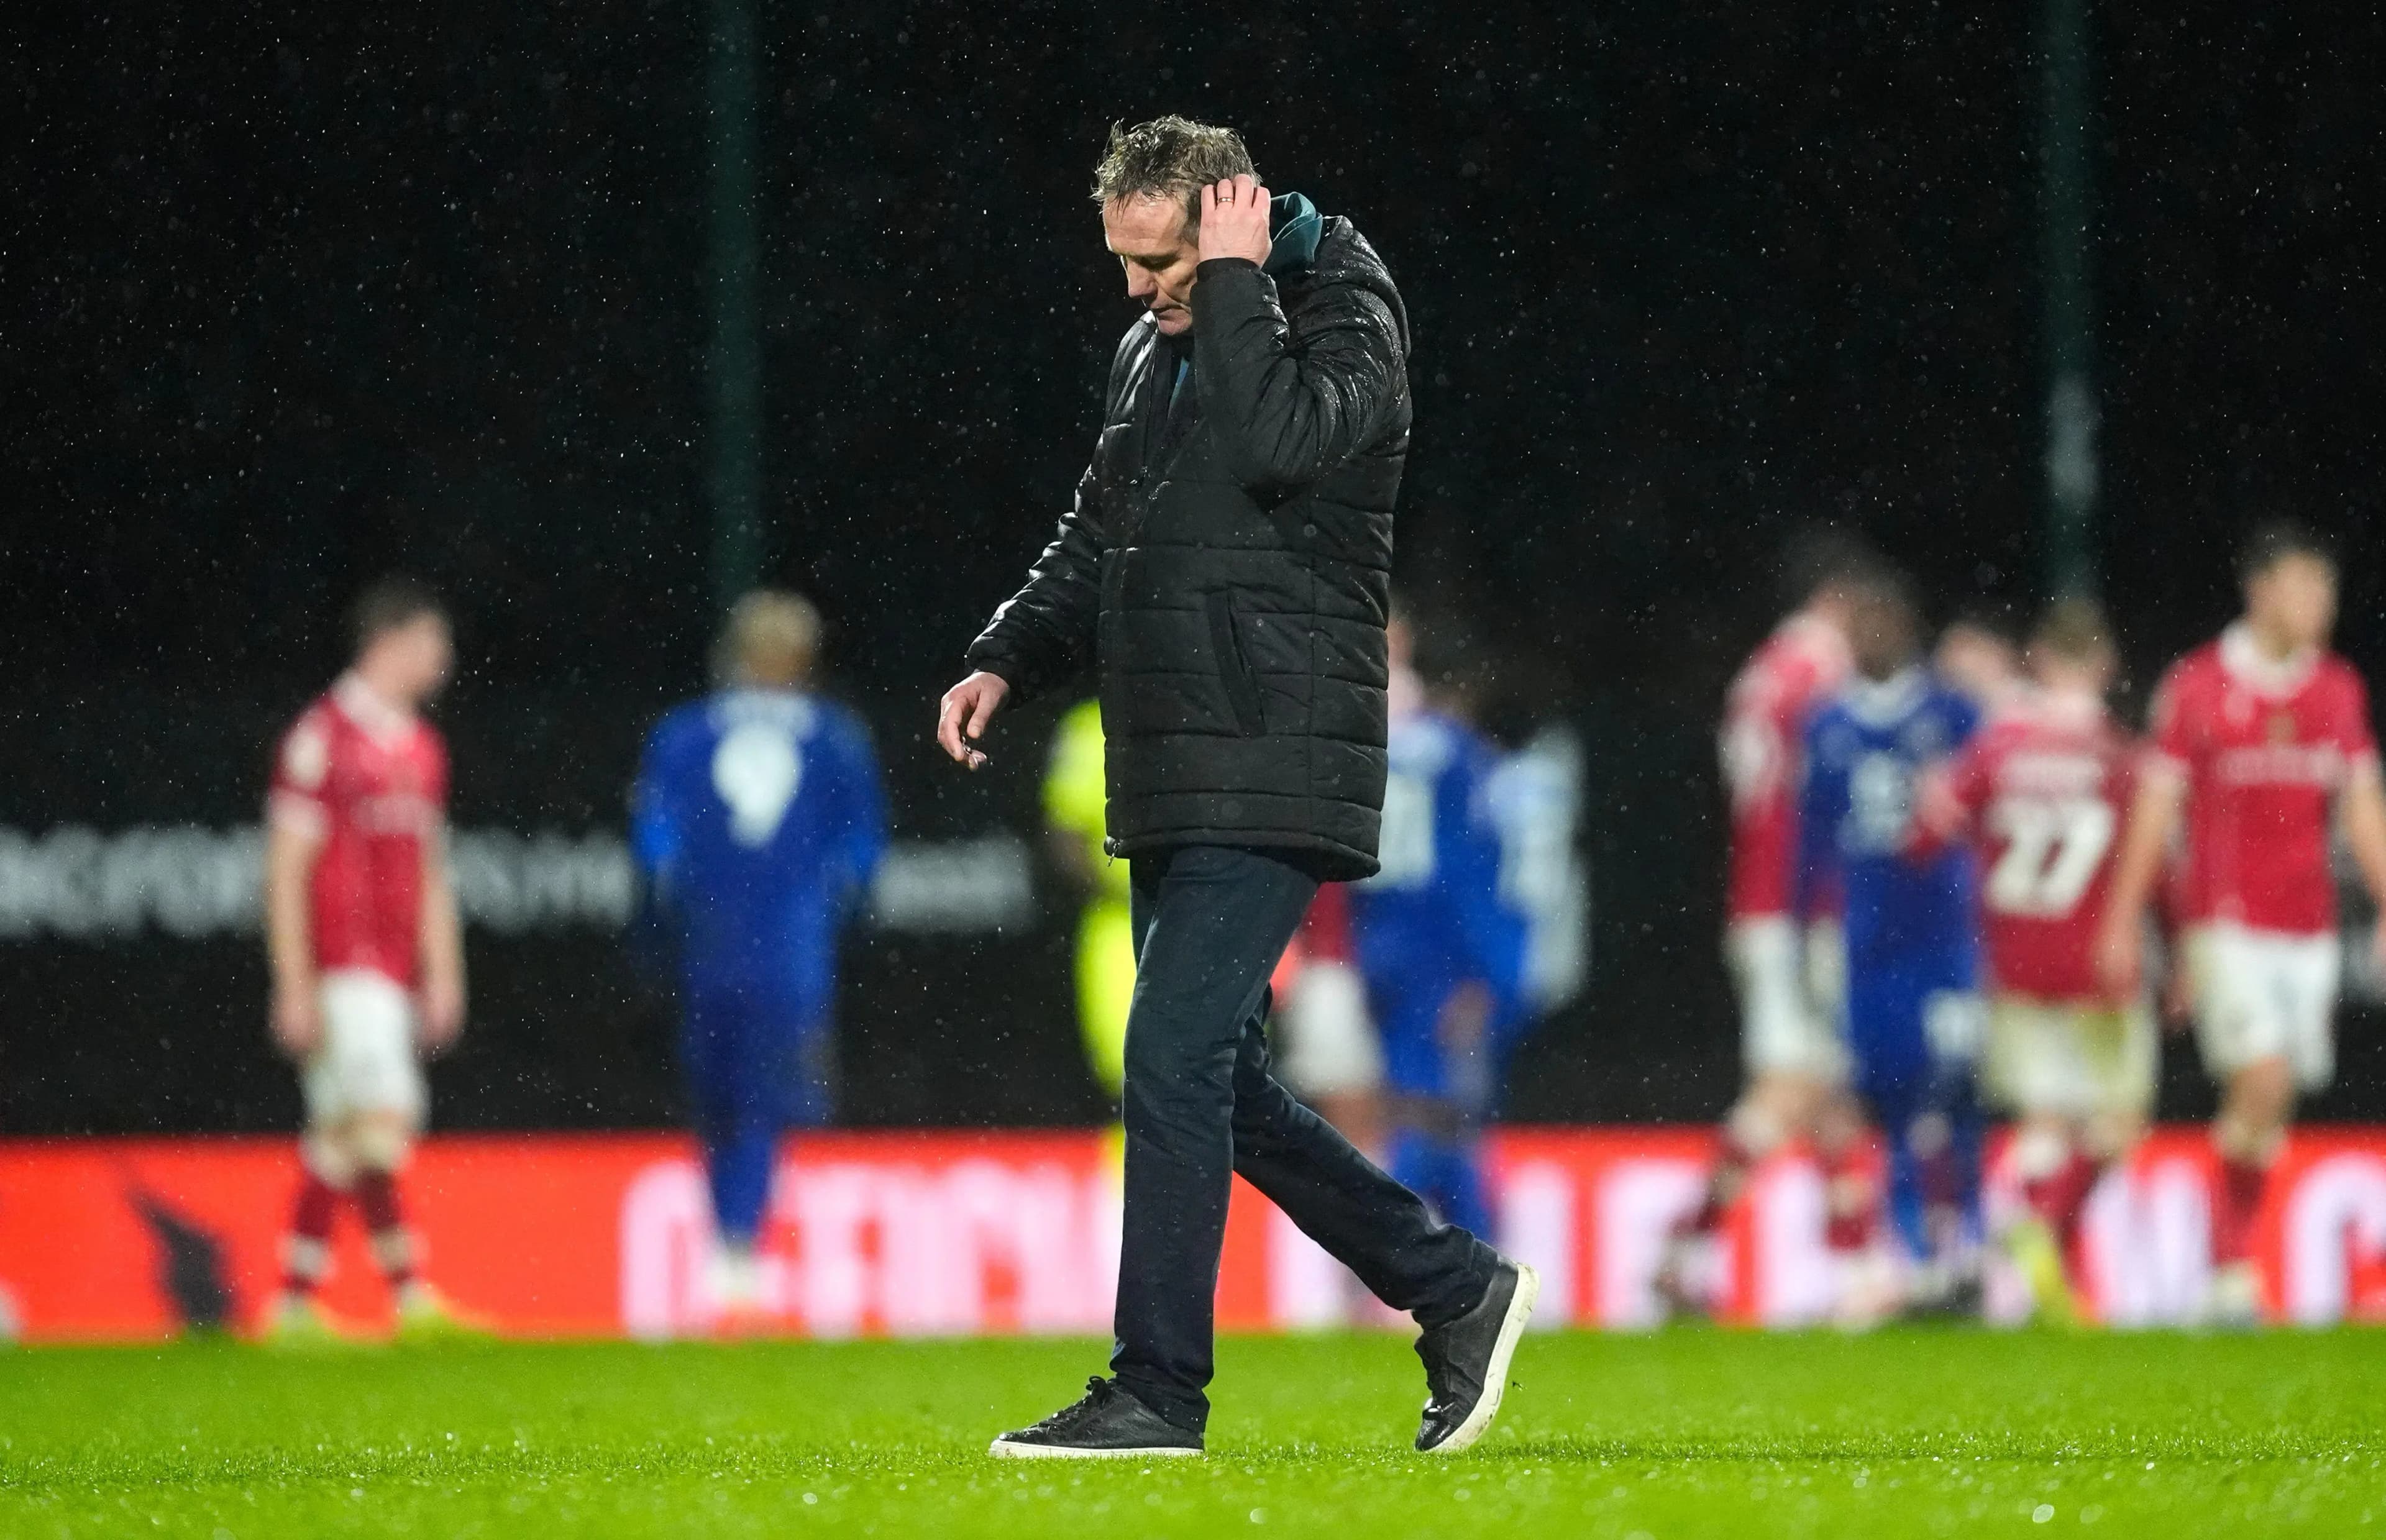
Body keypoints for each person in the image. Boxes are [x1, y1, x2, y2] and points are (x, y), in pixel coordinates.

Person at [937, 116, 1532, 1459]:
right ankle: (1454, 1287)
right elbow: (1102, 529)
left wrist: (1246, 281)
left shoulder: (1346, 309)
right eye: (1125, 264)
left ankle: (1158, 1390)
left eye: (1162, 260)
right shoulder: (1157, 341)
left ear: (1228, 221)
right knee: (1220, 1079)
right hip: (1175, 753)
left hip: (1276, 748)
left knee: (1173, 1054)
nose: (1139, 290)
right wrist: (1005, 656)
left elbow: (1278, 446)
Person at [2096, 521, 2386, 1326]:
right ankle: (2230, 1276)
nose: (2318, 602)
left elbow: (2361, 803)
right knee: (2259, 1075)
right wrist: (2125, 922)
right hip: (2225, 922)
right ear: (2259, 590)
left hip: (2310, 925)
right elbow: (2157, 808)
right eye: (2301, 584)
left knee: (2275, 1091)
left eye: (2324, 587)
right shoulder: (2197, 684)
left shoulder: (2337, 688)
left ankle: (2229, 1254)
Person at [632, 591, 887, 1326]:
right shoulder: (834, 738)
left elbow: (656, 847)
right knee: (756, 1100)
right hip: (787, 950)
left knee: (726, 1099)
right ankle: (738, 1248)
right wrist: (828, 914)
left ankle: (734, 1247)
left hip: (712, 946)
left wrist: (659, 932)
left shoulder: (685, 734)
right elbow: (862, 853)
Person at [1660, 532, 1877, 1316]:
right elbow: (1829, 804)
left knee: (1828, 1095)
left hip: (1761, 899)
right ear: (1842, 603)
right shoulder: (1826, 676)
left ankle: (1856, 1275)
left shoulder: (1762, 673)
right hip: (1798, 907)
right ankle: (1686, 1246)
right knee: (1791, 1088)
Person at [1916, 598, 2147, 1321]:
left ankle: (2044, 1249)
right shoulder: (2119, 753)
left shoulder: (1995, 748)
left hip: (2012, 960)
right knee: (2117, 1121)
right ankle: (2037, 1221)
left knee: (2044, 1120)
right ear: (2106, 666)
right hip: (2095, 962)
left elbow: (1928, 830)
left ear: (2038, 660)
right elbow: (2156, 859)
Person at [262, 576, 478, 1342]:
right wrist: (293, 983)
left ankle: (299, 1302)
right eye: (432, 643)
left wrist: (443, 971)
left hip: (389, 972)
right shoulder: (322, 737)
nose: (444, 660)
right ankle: (405, 1294)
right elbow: (286, 868)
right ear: (390, 642)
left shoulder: (420, 746)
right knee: (378, 1124)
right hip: (341, 968)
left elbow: (429, 872)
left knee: (343, 1133)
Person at [1797, 571, 1986, 1318]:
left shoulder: (1953, 712)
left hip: (1944, 942)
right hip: (1867, 946)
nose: (1869, 637)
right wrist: (1809, 925)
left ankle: (1956, 1251)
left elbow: (1988, 815)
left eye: (1882, 622)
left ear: (1906, 629)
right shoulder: (1826, 724)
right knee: (1877, 1100)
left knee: (1948, 1095)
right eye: (1859, 626)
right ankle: (1900, 1260)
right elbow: (1810, 840)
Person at [1348, 614, 1534, 1246]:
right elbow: (1467, 871)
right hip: (1442, 952)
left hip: (1380, 941)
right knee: (1440, 1111)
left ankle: (1473, 1264)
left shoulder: (1369, 751)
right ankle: (1391, 1251)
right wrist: (1486, 970)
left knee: (1421, 1105)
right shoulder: (1458, 756)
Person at [1044, 698, 1137, 1107]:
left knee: (1225, 1069)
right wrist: (1128, 888)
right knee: (1131, 1073)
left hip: (1211, 921)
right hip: (1121, 924)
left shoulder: (1215, 714)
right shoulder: (1089, 728)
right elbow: (1064, 837)